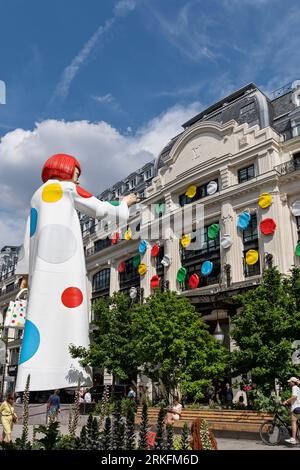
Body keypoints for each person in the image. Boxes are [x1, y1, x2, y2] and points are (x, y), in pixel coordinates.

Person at [14, 153, 137, 393]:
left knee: (42, 315)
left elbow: (27, 236)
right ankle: (72, 374)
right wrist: (125, 203)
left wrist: (25, 273)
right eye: (76, 174)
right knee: (71, 318)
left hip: (42, 266)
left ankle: (36, 377)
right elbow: (99, 208)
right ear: (65, 170)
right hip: (65, 262)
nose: (78, 180)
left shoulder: (36, 196)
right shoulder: (68, 188)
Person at [283, 377, 300, 445]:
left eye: (290, 382)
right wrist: (289, 403)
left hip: (296, 407)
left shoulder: (294, 387)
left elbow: (294, 396)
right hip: (298, 406)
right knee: (295, 422)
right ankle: (296, 437)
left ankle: (293, 439)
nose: (289, 383)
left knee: (293, 422)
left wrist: (286, 401)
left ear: (293, 382)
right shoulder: (298, 388)